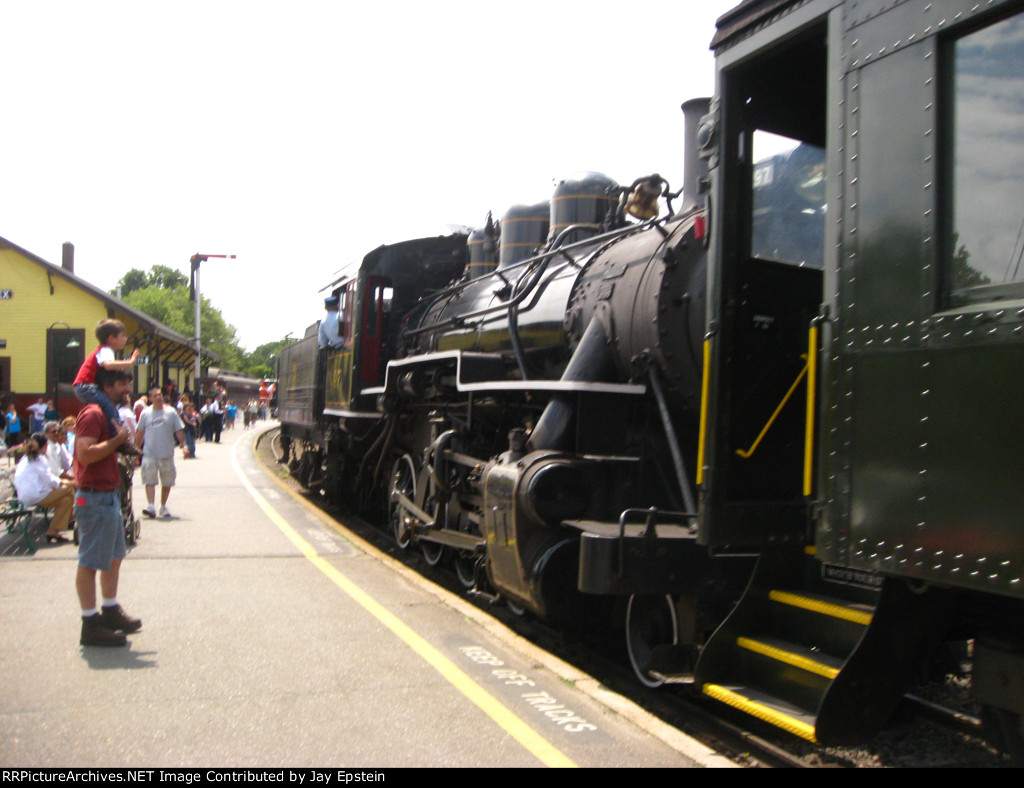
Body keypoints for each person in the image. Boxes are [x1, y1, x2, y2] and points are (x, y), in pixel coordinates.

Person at [74, 367, 140, 647]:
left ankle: (110, 610)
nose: (128, 389)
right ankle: (90, 625)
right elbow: (85, 455)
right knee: (90, 562)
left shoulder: (107, 413)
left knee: (114, 555)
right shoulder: (93, 414)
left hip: (107, 494)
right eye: (124, 384)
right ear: (109, 385)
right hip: (94, 497)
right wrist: (117, 441)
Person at [73, 319, 139, 437]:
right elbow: (108, 365)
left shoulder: (105, 350)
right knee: (108, 406)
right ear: (111, 338)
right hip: (86, 386)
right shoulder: (105, 350)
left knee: (106, 407)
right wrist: (130, 362)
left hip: (86, 386)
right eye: (122, 336)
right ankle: (116, 433)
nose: (125, 339)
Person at [135, 386, 189, 518]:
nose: (158, 397)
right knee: (149, 480)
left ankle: (163, 506)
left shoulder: (171, 412)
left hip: (166, 453)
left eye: (160, 394)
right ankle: (151, 506)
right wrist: (135, 450)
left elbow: (179, 430)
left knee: (167, 481)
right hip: (149, 453)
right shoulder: (145, 413)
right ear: (150, 399)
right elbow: (140, 433)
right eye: (155, 395)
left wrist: (184, 445)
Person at [13, 432, 73, 543]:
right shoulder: (40, 459)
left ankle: (53, 530)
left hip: (26, 495)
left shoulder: (26, 458)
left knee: (66, 500)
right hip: (36, 496)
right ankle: (74, 517)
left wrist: (62, 482)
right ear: (45, 446)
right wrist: (66, 482)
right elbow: (50, 480)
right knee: (70, 489)